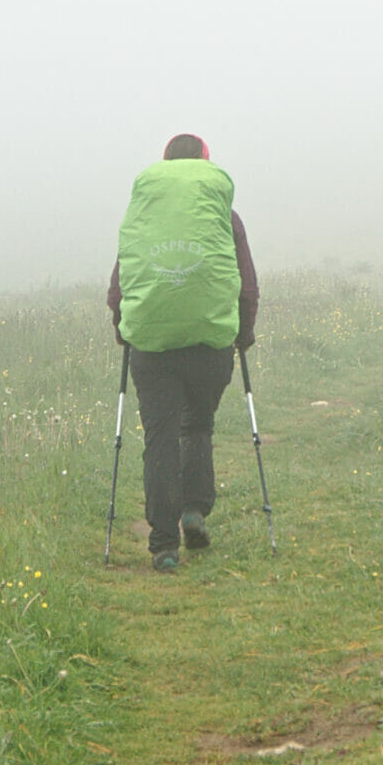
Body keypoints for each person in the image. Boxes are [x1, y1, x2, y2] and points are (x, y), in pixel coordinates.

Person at [106, 134, 259, 571]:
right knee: (198, 424)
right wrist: (242, 334)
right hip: (210, 342)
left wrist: (124, 328)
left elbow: (123, 283)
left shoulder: (143, 217)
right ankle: (194, 509)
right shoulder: (224, 218)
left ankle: (163, 545)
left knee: (160, 438)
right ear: (207, 167)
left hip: (151, 345)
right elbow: (245, 284)